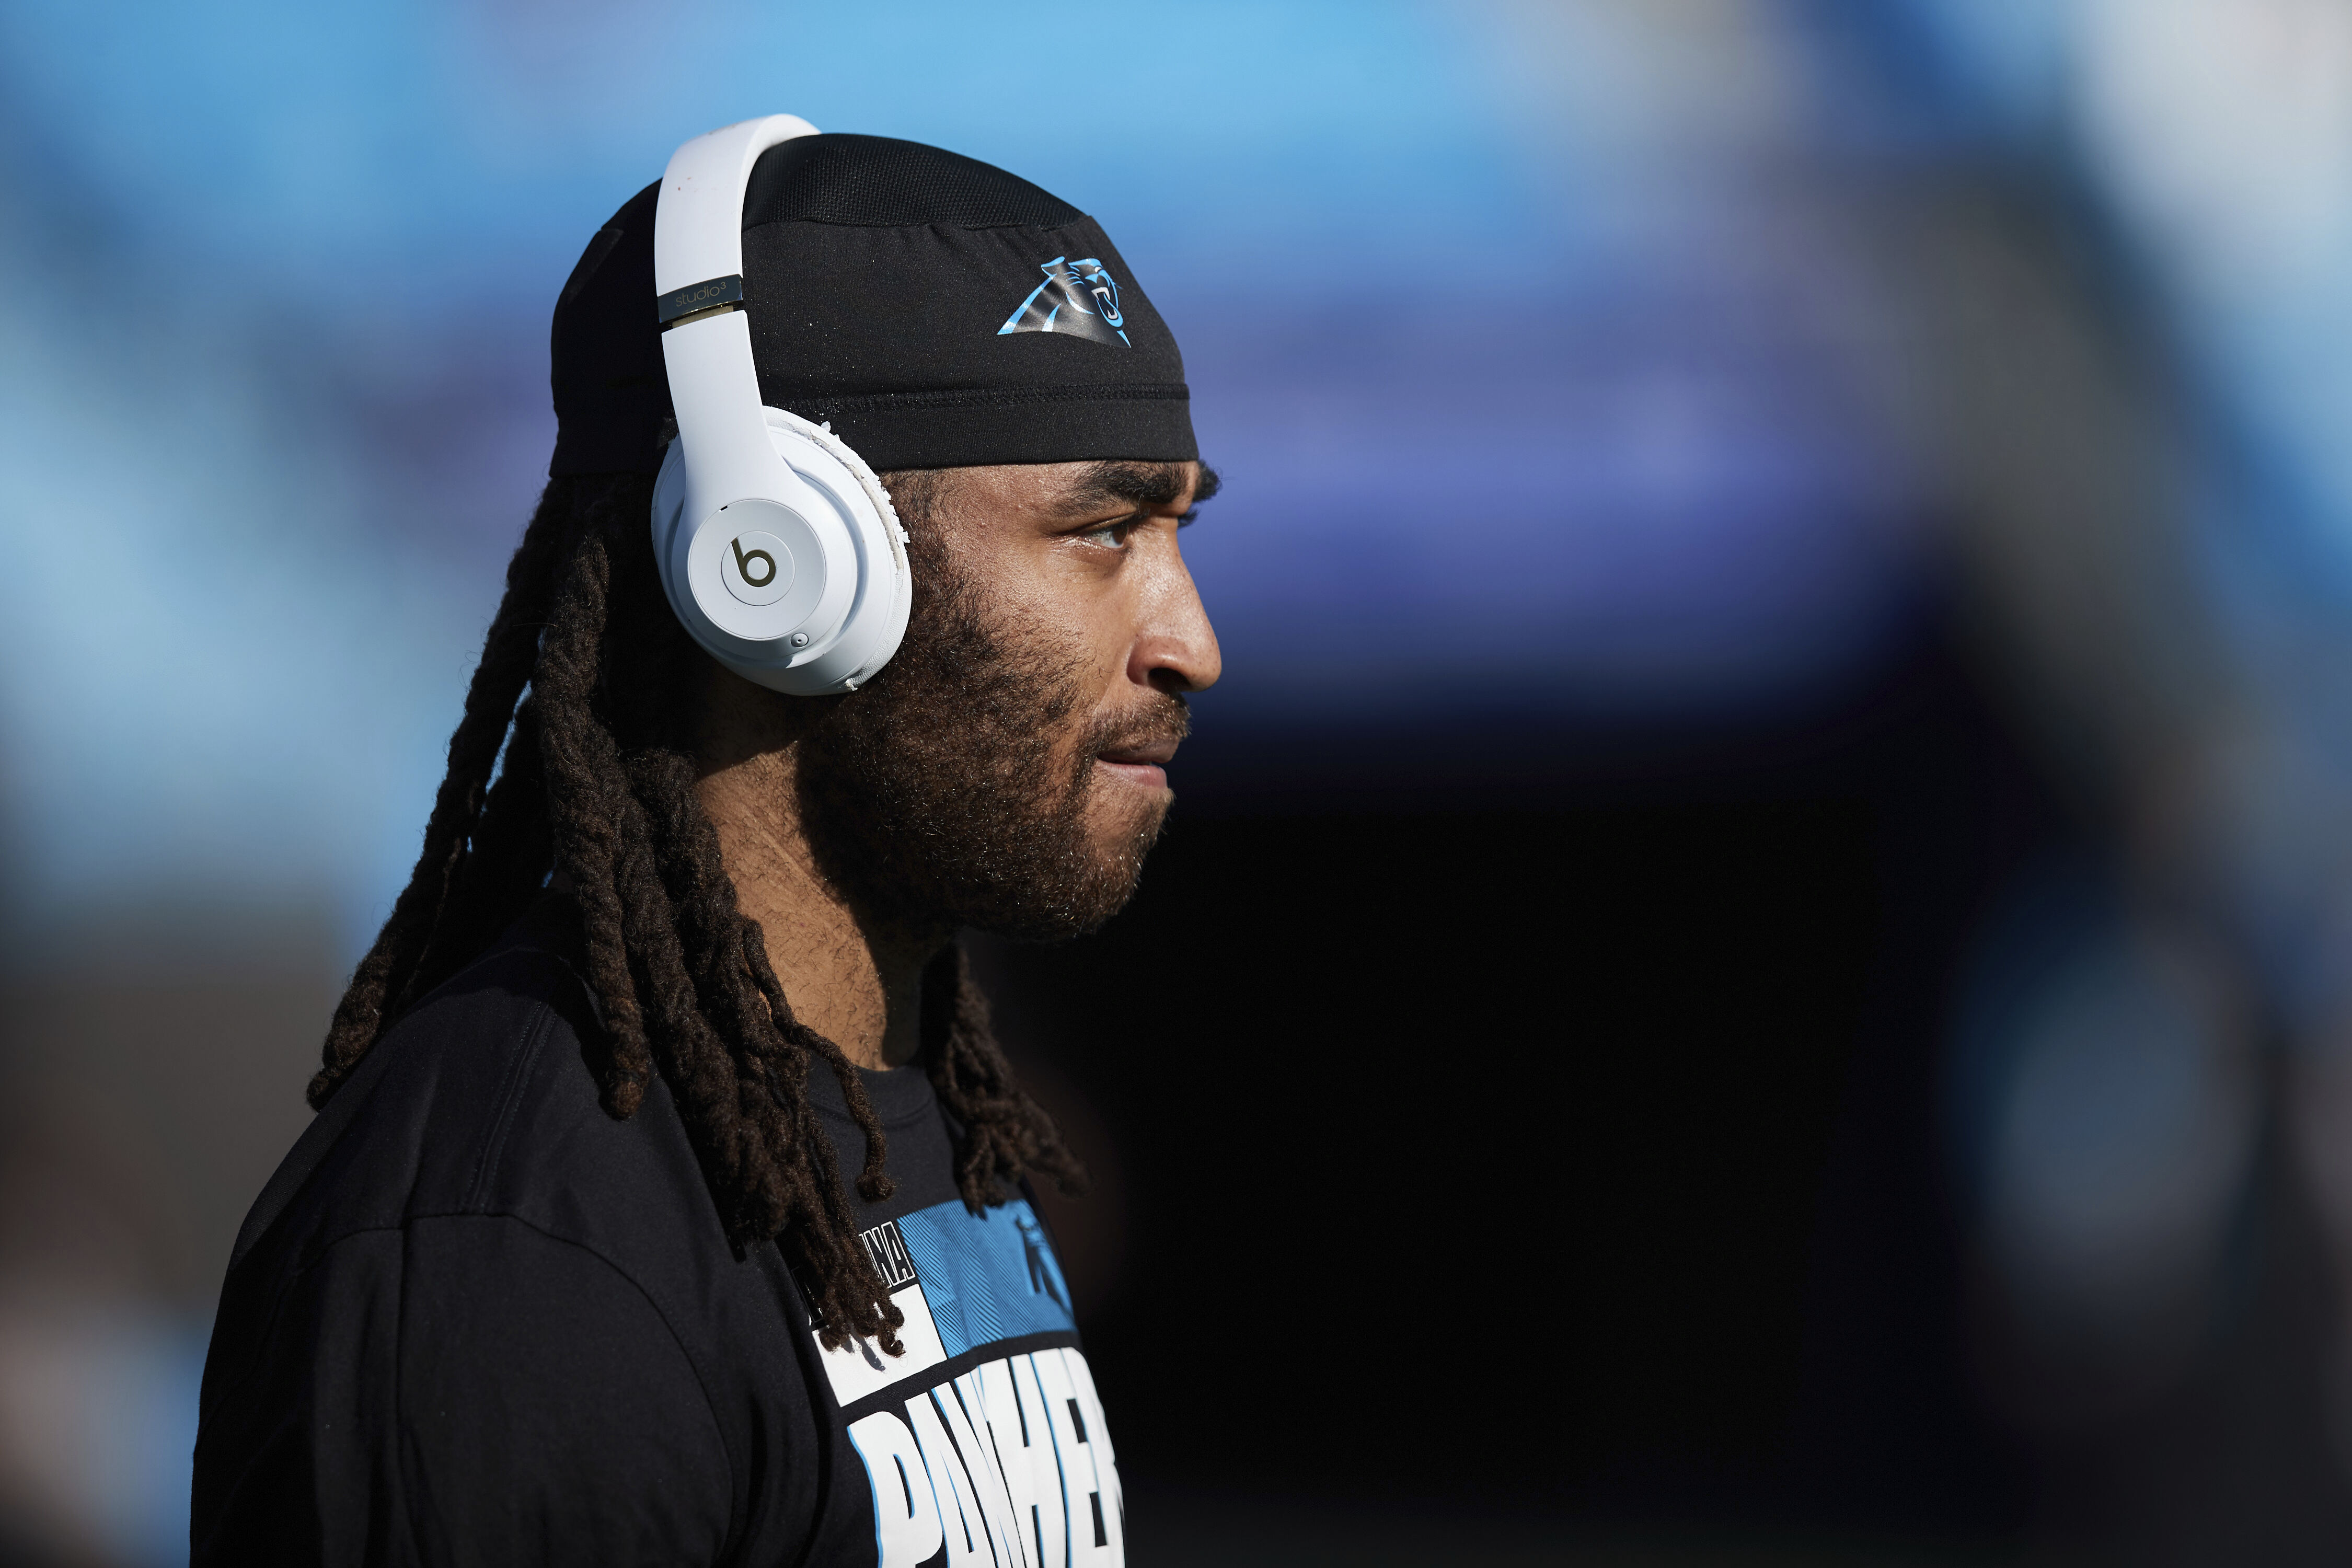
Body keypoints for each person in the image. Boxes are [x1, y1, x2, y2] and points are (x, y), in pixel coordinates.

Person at [190, 125, 1218, 1567]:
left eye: (1177, 530)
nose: (1192, 644)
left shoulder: (903, 1103)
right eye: (1103, 530)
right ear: (779, 563)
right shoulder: (517, 1250)